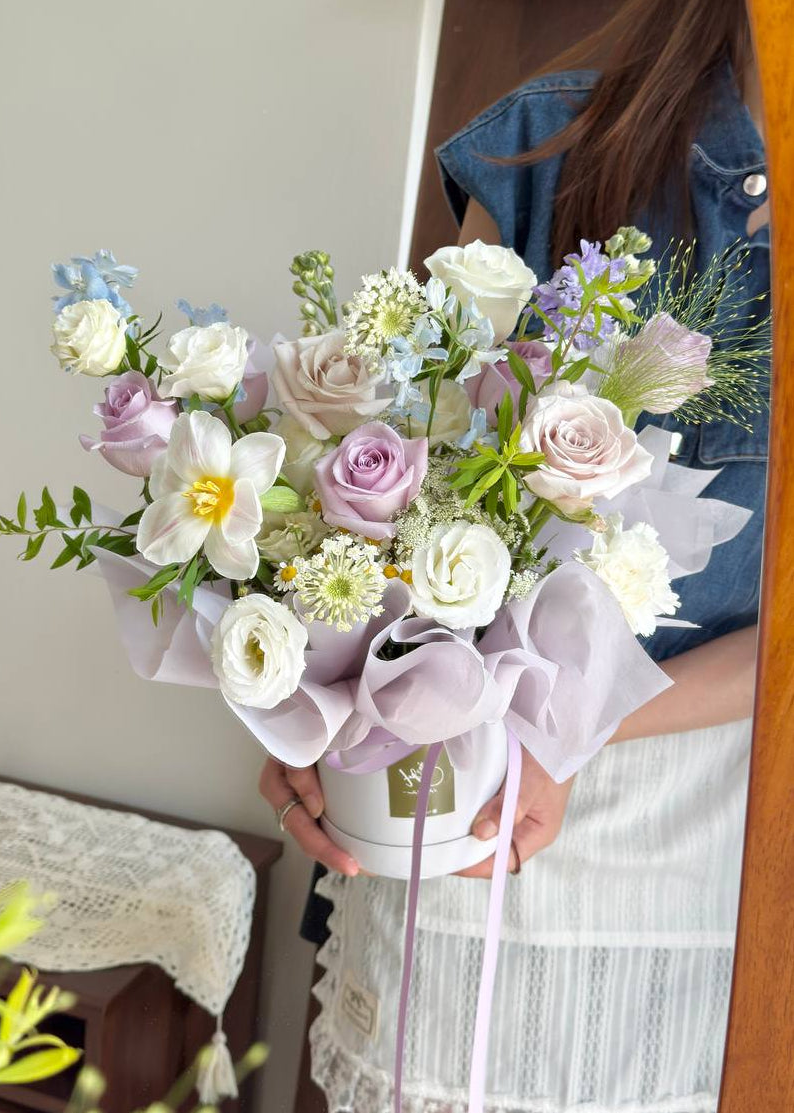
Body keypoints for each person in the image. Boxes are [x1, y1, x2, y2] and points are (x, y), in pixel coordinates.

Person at [261, 0, 770, 1107]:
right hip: (462, 826)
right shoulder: (557, 152)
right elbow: (384, 489)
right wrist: (296, 686)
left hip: (715, 880)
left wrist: (573, 720)